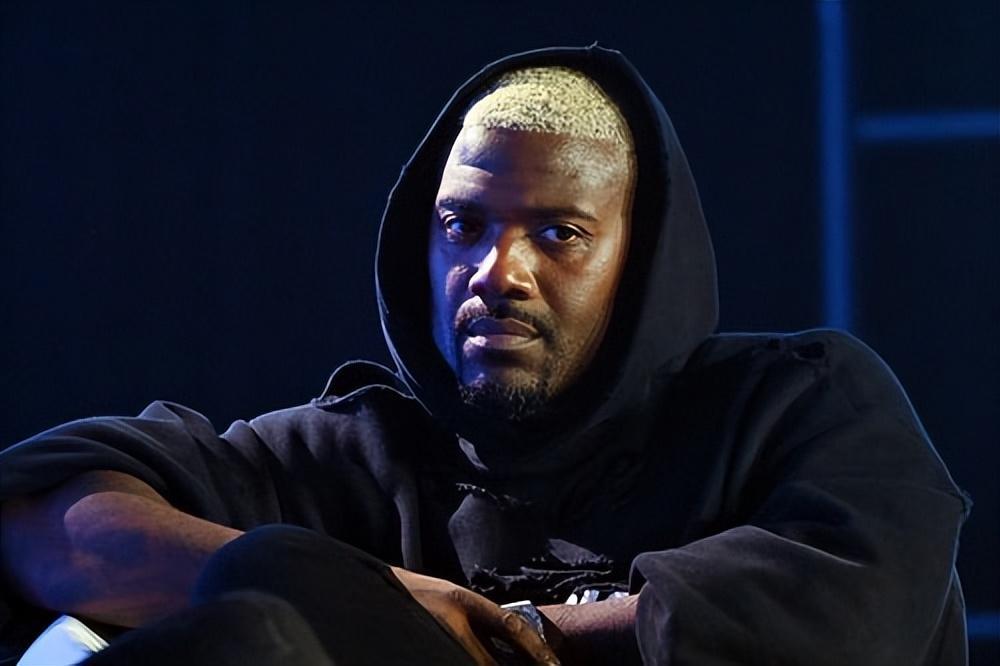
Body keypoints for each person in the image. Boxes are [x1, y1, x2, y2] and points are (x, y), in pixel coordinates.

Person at [0, 45, 971, 665]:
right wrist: (350, 593)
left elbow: (852, 611)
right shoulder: (356, 452)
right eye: (462, 227)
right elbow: (43, 526)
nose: (495, 273)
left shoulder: (794, 407)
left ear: (640, 259)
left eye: (558, 234)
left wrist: (514, 636)